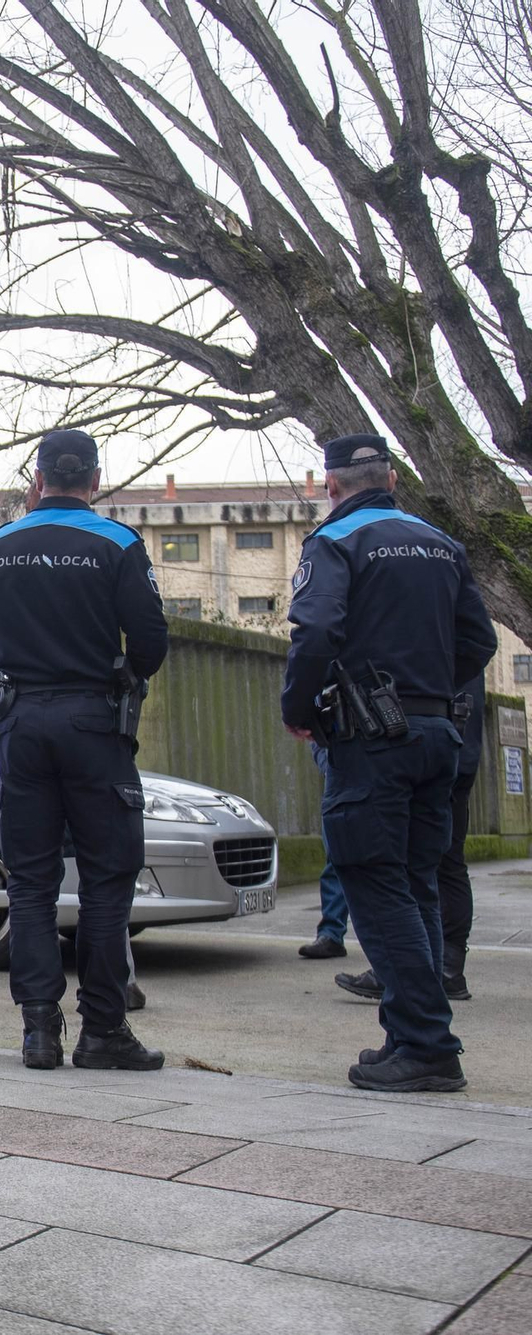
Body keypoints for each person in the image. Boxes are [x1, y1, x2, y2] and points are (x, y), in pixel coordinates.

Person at [281, 433, 495, 1094]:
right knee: (416, 883)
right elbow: (480, 640)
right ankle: (411, 1034)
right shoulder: (440, 544)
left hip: (372, 740)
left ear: (332, 485)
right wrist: (425, 693)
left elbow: (315, 631)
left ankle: (427, 1044)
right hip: (436, 732)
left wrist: (303, 708)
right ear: (392, 478)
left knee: (376, 884)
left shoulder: (337, 541)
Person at [0, 428, 168, 1071]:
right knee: (108, 879)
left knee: (30, 881)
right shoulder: (117, 542)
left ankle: (38, 1032)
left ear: (37, 480)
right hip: (93, 723)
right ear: (95, 481)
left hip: (22, 723)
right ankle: (104, 1030)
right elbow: (151, 644)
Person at [333, 673, 484, 1002]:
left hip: (415, 733)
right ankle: (443, 971)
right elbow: (480, 645)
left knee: (401, 869)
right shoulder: (454, 629)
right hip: (455, 738)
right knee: (440, 864)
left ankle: (412, 975)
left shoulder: (425, 624)